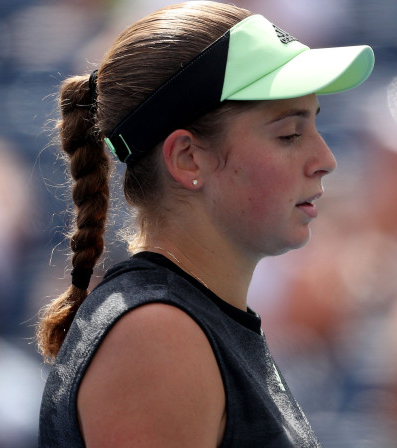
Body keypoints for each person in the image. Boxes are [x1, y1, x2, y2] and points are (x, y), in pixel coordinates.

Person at [35, 2, 374, 447]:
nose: (325, 160)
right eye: (289, 134)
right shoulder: (158, 336)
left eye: (315, 126)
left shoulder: (179, 324)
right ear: (187, 158)